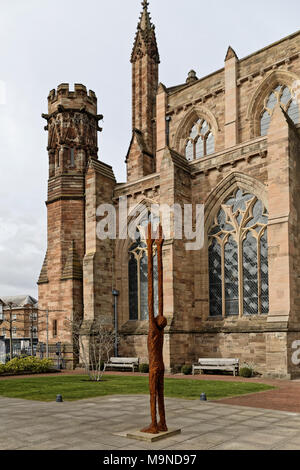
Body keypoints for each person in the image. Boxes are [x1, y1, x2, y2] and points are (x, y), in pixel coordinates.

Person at [141, 223, 168, 434]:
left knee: (153, 395)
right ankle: (163, 422)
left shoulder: (153, 329)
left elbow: (151, 294)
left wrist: (150, 248)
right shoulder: (161, 331)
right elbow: (160, 297)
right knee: (161, 395)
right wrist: (157, 247)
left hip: (153, 368)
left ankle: (153, 424)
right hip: (162, 366)